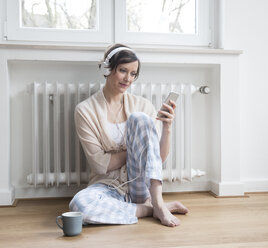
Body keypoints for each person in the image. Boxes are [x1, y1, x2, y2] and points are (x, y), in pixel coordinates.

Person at [69, 43, 188, 227]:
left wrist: (167, 127)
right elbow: (100, 164)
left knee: (139, 118)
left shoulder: (143, 105)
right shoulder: (85, 110)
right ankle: (149, 209)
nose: (128, 79)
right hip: (107, 187)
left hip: (142, 186)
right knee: (79, 205)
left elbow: (158, 159)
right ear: (108, 69)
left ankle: (157, 202)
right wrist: (138, 150)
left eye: (133, 74)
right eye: (123, 71)